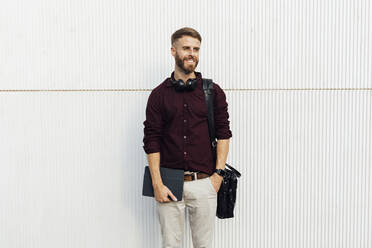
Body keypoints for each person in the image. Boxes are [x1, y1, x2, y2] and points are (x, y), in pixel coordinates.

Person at [142, 27, 232, 248]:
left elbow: (224, 133)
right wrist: (157, 184)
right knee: (170, 245)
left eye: (196, 49)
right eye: (186, 48)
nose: (192, 53)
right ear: (173, 51)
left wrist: (218, 176)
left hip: (205, 183)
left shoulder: (213, 92)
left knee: (204, 245)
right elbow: (151, 139)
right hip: (169, 184)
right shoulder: (158, 95)